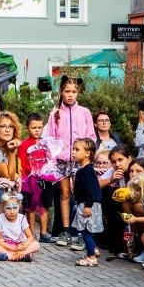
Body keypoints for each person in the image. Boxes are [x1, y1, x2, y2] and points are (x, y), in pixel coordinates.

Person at [42, 76, 95, 250]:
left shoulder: (85, 112)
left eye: (74, 92)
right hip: (62, 160)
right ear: (61, 92)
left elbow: (91, 136)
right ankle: (66, 230)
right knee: (64, 193)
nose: (70, 95)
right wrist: (52, 160)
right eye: (67, 91)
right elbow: (50, 139)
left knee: (80, 195)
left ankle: (81, 232)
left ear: (78, 92)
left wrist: (88, 156)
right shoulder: (55, 114)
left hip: (81, 160)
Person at [18, 113, 53, 243]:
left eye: (40, 127)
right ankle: (31, 233)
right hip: (30, 181)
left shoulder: (46, 143)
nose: (37, 130)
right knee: (31, 207)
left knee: (45, 205)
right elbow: (21, 164)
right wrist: (22, 181)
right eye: (34, 127)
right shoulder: (24, 145)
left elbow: (50, 160)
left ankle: (44, 232)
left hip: (45, 179)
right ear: (27, 128)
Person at [70, 138, 103, 267]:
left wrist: (88, 205)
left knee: (85, 231)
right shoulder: (83, 169)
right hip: (84, 204)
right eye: (73, 149)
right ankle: (93, 248)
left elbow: (91, 189)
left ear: (87, 153)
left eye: (77, 150)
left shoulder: (87, 170)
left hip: (87, 205)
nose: (73, 152)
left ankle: (91, 257)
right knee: (85, 229)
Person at [0, 192, 38, 262]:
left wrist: (23, 247)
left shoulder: (22, 218)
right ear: (3, 206)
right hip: (4, 245)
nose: (12, 211)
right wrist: (14, 249)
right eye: (8, 208)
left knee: (36, 244)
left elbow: (30, 237)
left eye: (15, 208)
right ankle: (11, 254)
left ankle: (15, 254)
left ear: (19, 206)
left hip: (19, 244)